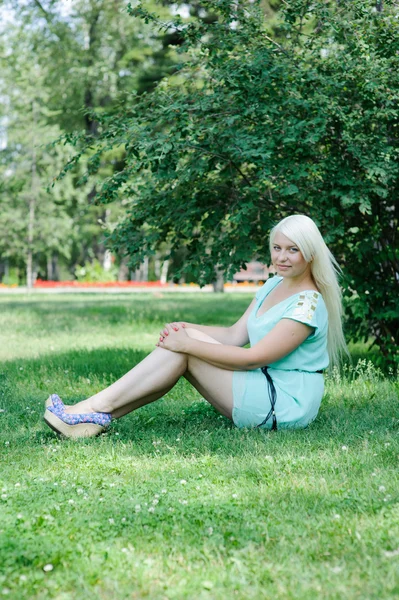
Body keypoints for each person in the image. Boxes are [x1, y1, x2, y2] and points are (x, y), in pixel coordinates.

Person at [43, 214, 347, 438]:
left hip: (284, 402)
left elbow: (255, 357)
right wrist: (184, 328)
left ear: (309, 253)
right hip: (262, 384)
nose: (281, 257)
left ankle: (91, 409)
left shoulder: (309, 304)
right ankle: (92, 417)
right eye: (277, 247)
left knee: (184, 350)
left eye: (292, 250)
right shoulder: (272, 285)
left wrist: (187, 344)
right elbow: (234, 335)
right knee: (183, 343)